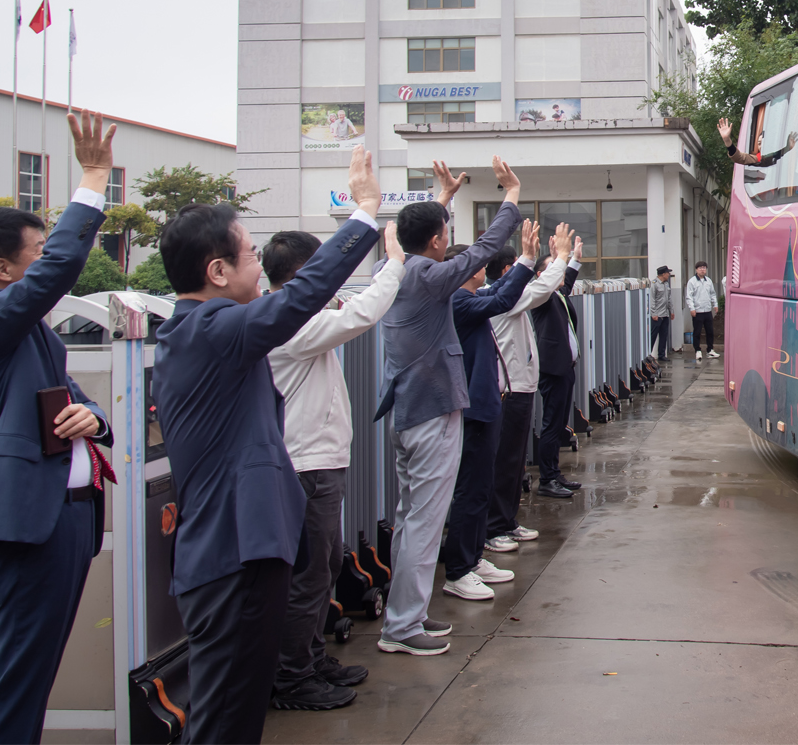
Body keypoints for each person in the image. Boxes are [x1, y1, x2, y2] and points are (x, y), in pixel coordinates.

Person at [151, 145, 383, 745]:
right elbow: (300, 299)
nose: (260, 265)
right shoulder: (210, 329)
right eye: (252, 254)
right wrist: (363, 214)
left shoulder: (203, 332)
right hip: (234, 552)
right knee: (227, 714)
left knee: (237, 706)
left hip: (238, 547)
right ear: (217, 271)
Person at [0, 110, 117, 745]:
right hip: (25, 529)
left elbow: (77, 404)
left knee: (32, 681)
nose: (49, 259)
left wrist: (93, 418)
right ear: (3, 269)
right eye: (38, 252)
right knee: (17, 687)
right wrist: (93, 179)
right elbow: (58, 272)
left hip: (64, 521)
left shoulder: (33, 336)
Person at [375, 157, 522, 656]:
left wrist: (443, 199)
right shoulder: (431, 277)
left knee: (410, 517)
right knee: (423, 522)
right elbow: (483, 248)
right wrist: (511, 195)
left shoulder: (392, 268)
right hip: (433, 412)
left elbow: (417, 237)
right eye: (443, 233)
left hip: (407, 410)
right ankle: (402, 627)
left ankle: (405, 615)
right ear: (438, 240)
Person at [262, 221, 406, 711]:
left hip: (316, 463)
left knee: (323, 567)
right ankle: (293, 678)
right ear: (305, 273)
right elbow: (364, 313)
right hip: (305, 466)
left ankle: (311, 658)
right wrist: (394, 263)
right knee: (308, 575)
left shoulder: (295, 316)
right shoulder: (288, 321)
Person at [438, 228, 537, 602]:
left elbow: (501, 291)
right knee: (471, 488)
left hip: (486, 404)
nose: (484, 267)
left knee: (480, 486)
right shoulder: (458, 302)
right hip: (475, 409)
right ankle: (458, 569)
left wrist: (525, 260)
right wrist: (528, 259)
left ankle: (473, 556)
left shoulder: (470, 296)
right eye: (477, 262)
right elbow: (504, 297)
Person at [486, 223, 573, 549]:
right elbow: (542, 288)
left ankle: (508, 520)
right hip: (508, 392)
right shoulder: (502, 298)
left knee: (515, 462)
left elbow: (543, 287)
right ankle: (495, 527)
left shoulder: (511, 296)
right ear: (507, 271)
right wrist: (560, 257)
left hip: (520, 389)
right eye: (518, 266)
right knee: (505, 462)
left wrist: (559, 259)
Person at [529, 234, 584, 499]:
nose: (559, 272)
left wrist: (573, 259)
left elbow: (567, 281)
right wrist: (559, 259)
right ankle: (547, 479)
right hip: (553, 370)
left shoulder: (557, 294)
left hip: (565, 368)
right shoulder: (540, 297)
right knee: (551, 425)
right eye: (553, 267)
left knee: (559, 423)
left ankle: (555, 473)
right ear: (542, 276)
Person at [717, 115, 796, 167]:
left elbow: (778, 155)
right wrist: (727, 140)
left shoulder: (781, 156)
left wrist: (787, 148)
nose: (761, 146)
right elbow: (739, 157)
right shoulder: (756, 159)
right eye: (759, 143)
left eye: (763, 143)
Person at [685, 262, 719, 361]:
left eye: (704, 268)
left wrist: (715, 304)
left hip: (707, 310)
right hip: (698, 311)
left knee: (710, 331)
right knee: (697, 332)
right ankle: (697, 350)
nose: (702, 270)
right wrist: (692, 308)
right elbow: (689, 296)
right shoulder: (692, 281)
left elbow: (712, 294)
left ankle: (710, 349)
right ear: (696, 269)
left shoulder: (708, 281)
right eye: (700, 268)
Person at [650, 266, 676, 359]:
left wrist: (671, 311)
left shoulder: (666, 284)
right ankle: (648, 354)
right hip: (657, 315)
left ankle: (661, 355)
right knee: (653, 335)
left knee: (663, 335)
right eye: (668, 273)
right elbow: (652, 300)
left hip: (665, 314)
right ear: (663, 274)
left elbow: (669, 298)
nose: (669, 275)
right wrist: (654, 313)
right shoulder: (654, 284)